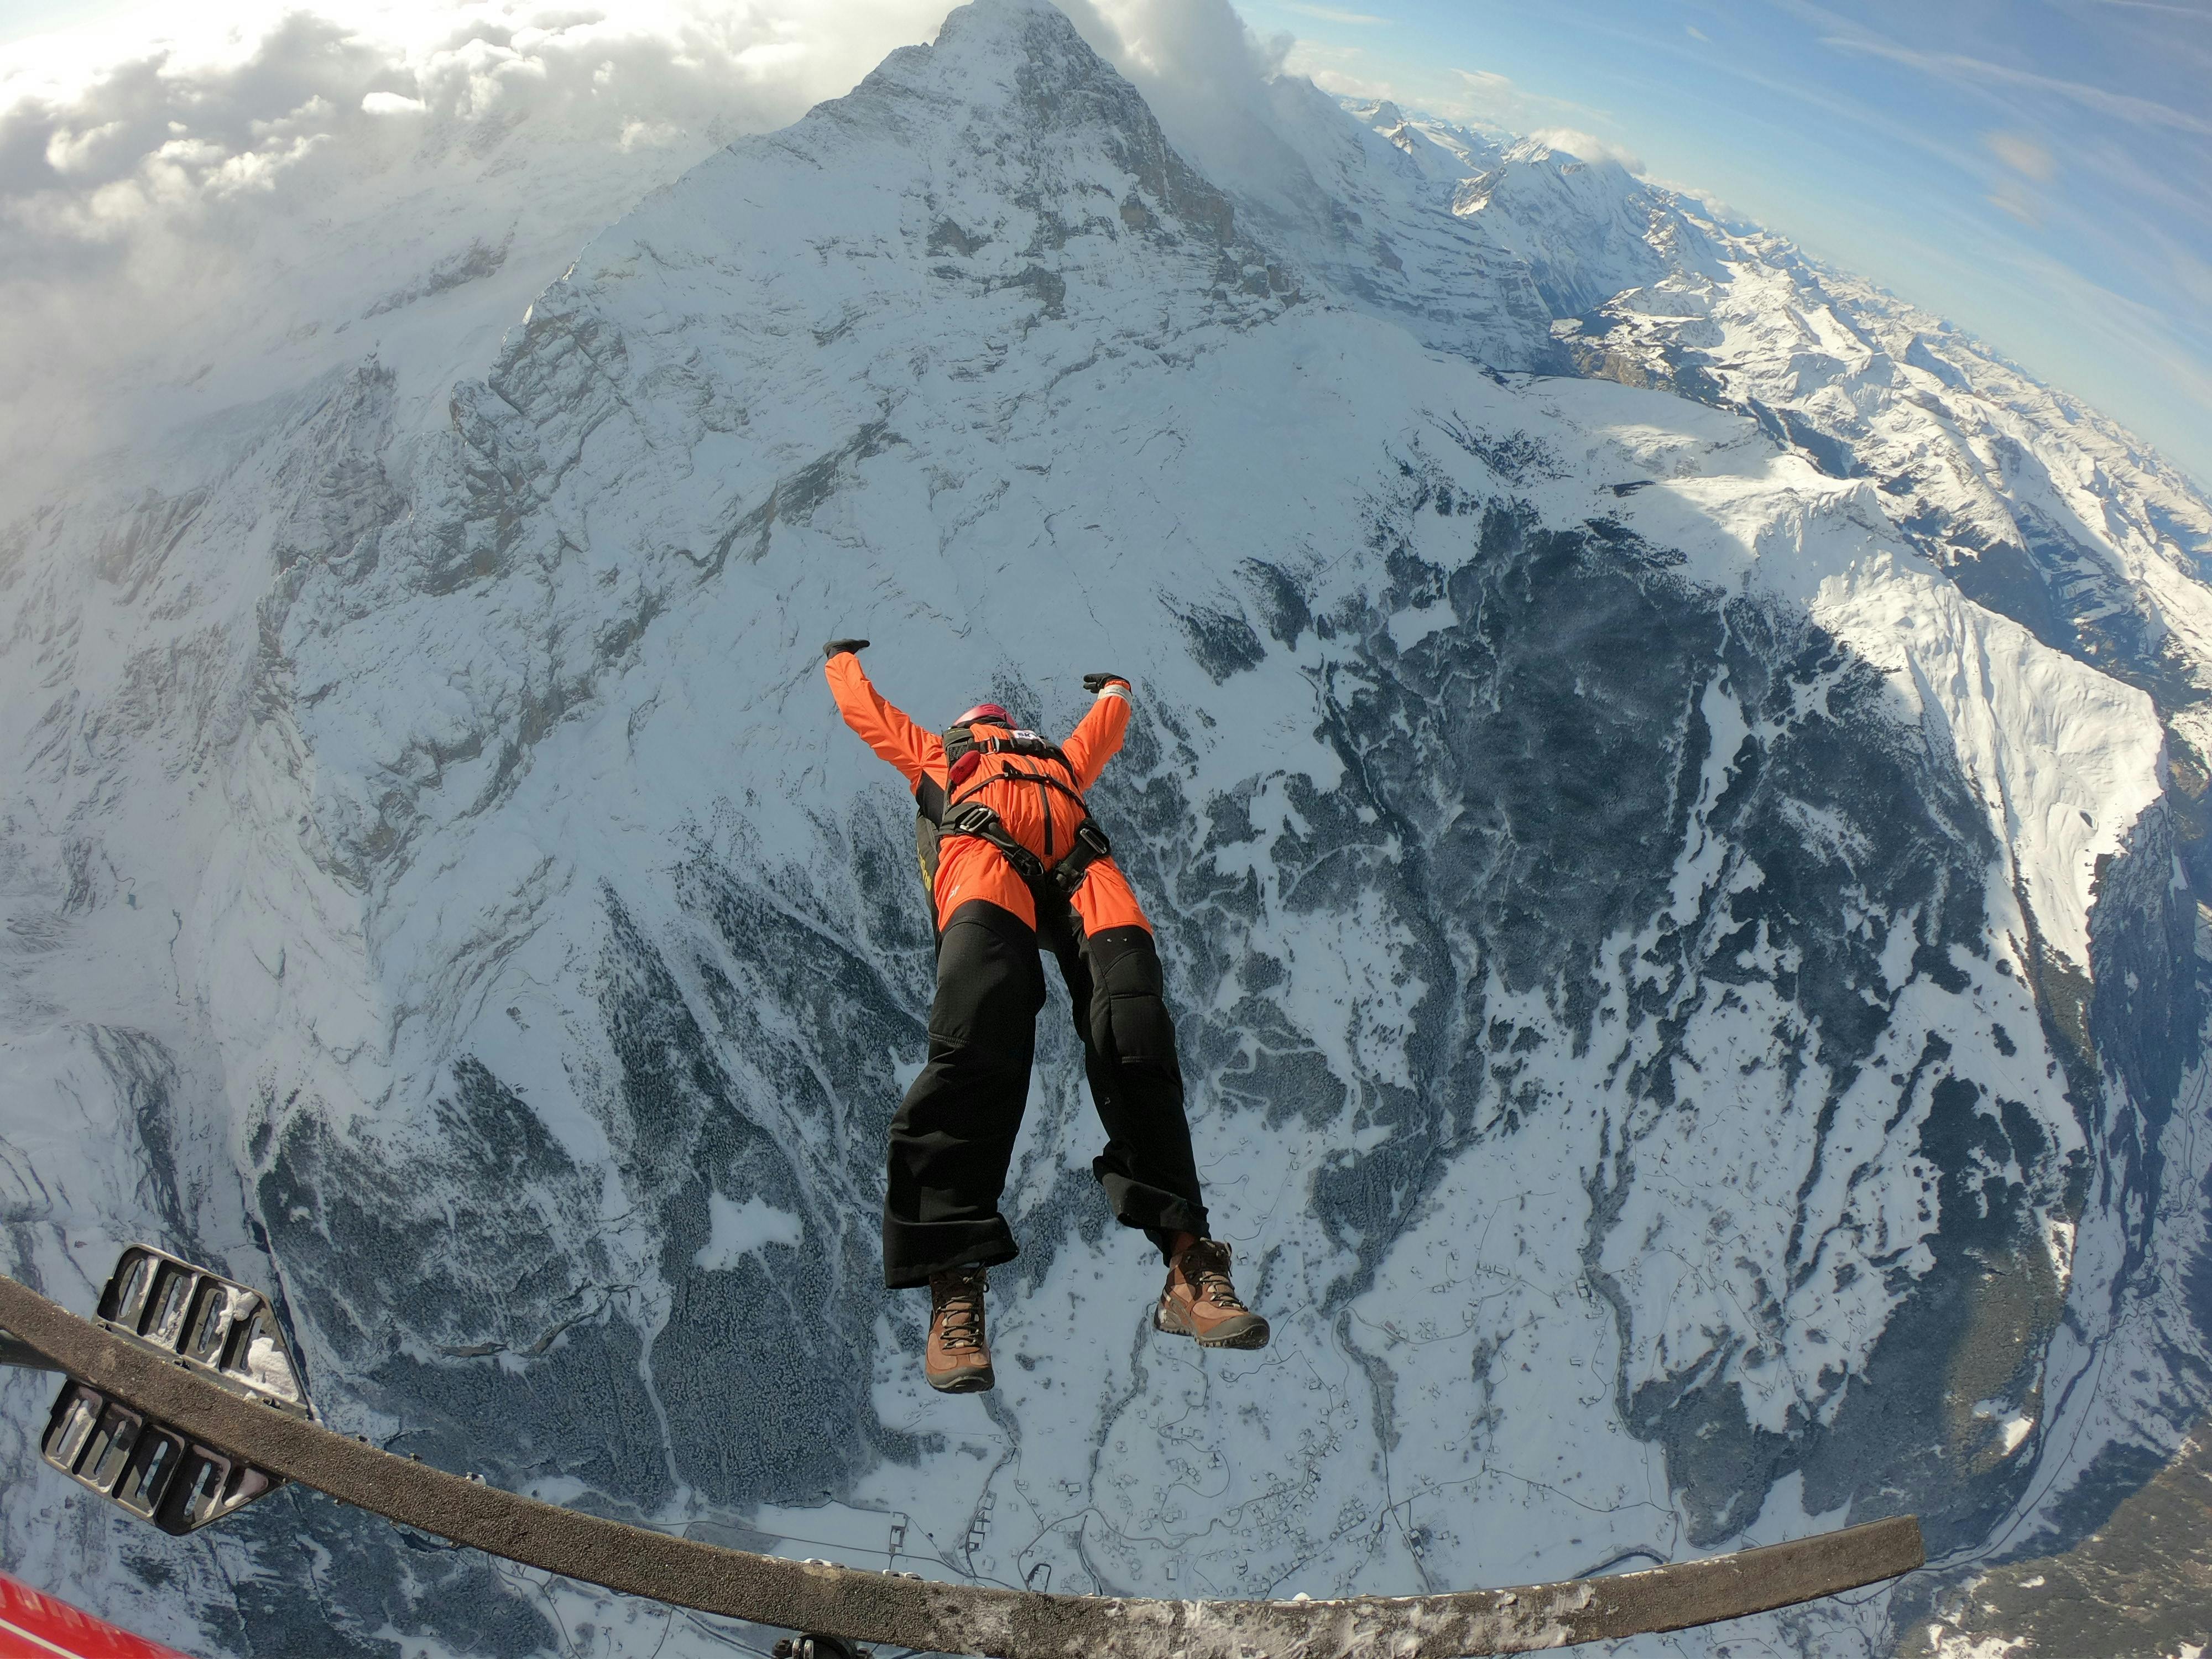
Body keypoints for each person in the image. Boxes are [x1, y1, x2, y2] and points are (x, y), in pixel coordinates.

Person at [822, 638, 1269, 1392]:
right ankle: (954, 1277)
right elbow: (1101, 733)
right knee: (995, 1031)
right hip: (1032, 863)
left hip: (1030, 867)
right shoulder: (994, 759)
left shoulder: (962, 754)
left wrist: (843, 663)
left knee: (1124, 1032)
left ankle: (1188, 1266)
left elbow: (867, 713)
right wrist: (1115, 692)